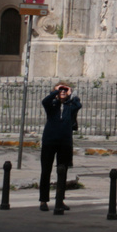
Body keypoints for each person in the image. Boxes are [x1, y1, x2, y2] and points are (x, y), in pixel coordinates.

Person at [39, 81, 81, 213]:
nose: (62, 91)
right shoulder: (52, 105)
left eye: (65, 90)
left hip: (64, 142)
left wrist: (71, 93)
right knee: (46, 171)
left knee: (62, 172)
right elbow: (45, 101)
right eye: (60, 89)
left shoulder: (70, 106)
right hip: (49, 141)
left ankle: (60, 199)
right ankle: (43, 200)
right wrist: (55, 92)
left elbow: (78, 104)